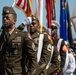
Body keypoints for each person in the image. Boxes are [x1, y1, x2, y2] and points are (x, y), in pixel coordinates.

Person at [0, 6, 37, 75]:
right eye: (3, 17)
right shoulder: (1, 37)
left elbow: (33, 58)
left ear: (14, 20)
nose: (4, 19)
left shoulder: (23, 35)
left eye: (7, 17)